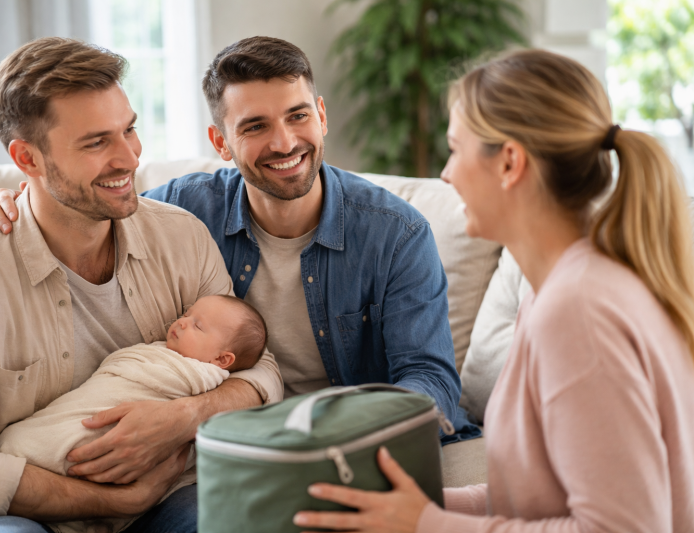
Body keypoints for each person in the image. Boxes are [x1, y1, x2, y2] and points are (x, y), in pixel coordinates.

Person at [0, 36, 469, 441]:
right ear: (220, 144)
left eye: (298, 115)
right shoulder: (185, 212)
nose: (285, 142)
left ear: (321, 114)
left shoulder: (396, 233)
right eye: (255, 126)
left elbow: (432, 380)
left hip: (347, 442)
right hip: (225, 443)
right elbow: (91, 201)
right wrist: (16, 202)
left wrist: (339, 433)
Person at [292, 49, 694, 532]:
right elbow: (540, 496)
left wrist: (427, 526)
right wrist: (424, 507)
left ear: (508, 163)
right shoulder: (564, 288)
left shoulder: (578, 311)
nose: (446, 173)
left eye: (456, 149)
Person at [0, 38, 283, 533]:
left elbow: (260, 373)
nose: (129, 158)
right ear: (28, 159)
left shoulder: (180, 236)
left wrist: (185, 416)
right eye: (96, 142)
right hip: (15, 514)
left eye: (129, 130)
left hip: (164, 497)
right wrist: (116, 501)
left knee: (234, 517)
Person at [0, 295, 267, 533]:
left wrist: (186, 415)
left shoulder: (203, 376)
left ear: (222, 360)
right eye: (187, 314)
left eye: (197, 325)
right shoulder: (157, 354)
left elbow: (263, 377)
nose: (182, 321)